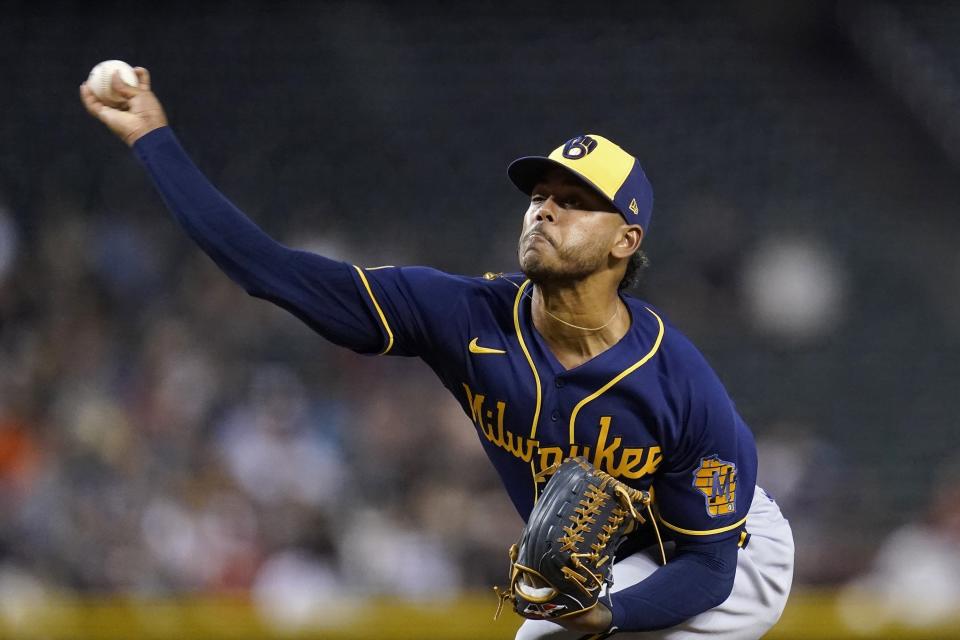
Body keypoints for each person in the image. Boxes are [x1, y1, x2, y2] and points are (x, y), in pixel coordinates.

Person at [80, 68, 794, 639]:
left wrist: (608, 616)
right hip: (621, 568)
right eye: (540, 193)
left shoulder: (679, 385)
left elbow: (708, 567)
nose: (544, 208)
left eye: (574, 200)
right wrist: (153, 138)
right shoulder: (464, 316)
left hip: (733, 558)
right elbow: (268, 269)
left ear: (625, 241)